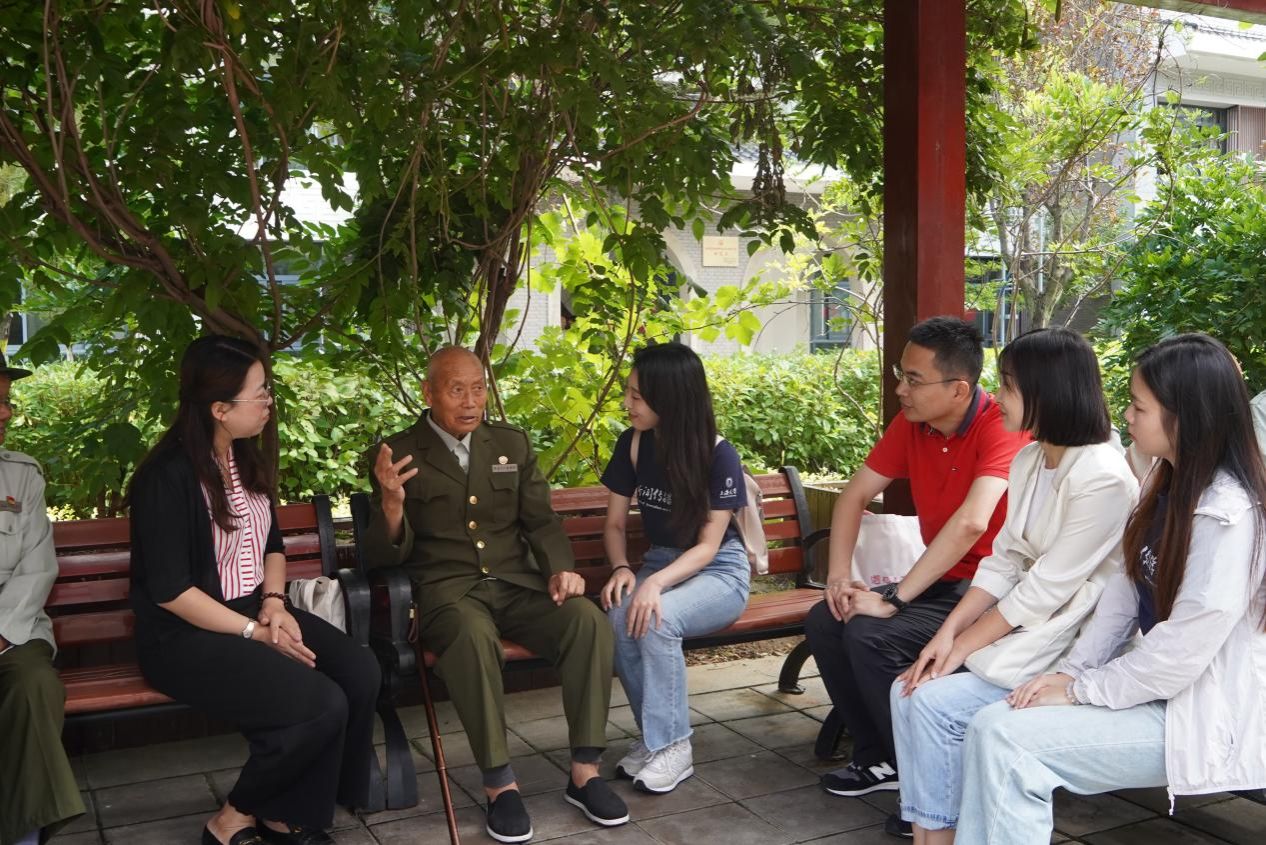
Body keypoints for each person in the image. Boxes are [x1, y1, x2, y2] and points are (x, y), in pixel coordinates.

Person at [956, 333, 1266, 844]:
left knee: (1006, 741)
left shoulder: (1228, 516)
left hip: (1197, 713)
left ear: (1186, 418)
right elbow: (1124, 595)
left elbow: (1179, 656)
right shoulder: (1163, 479)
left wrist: (1080, 689)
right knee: (996, 724)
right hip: (1156, 691)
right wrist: (1072, 672)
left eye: (1139, 407)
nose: (1126, 415)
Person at [363, 346, 627, 843]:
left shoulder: (511, 443)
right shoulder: (397, 453)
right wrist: (392, 504)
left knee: (586, 621)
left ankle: (585, 772)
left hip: (517, 583)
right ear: (428, 392)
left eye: (478, 388)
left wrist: (561, 570)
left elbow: (541, 521)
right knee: (472, 638)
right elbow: (380, 556)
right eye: (456, 390)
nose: (470, 401)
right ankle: (500, 784)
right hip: (448, 592)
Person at [888, 328, 1138, 842]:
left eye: (1007, 385)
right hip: (1024, 628)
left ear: (1048, 392)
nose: (996, 396)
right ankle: (930, 834)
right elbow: (1002, 562)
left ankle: (941, 835)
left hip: (1066, 639)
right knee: (907, 690)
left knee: (930, 700)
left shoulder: (1103, 477)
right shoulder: (1030, 459)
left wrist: (959, 648)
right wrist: (945, 635)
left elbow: (1044, 590)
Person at [129, 336, 380, 845]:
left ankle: (288, 811)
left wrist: (274, 604)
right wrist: (254, 632)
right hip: (184, 634)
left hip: (253, 610)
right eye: (260, 393)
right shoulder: (165, 478)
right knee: (319, 702)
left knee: (358, 671)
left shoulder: (244, 459)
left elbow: (272, 545)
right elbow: (172, 592)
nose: (269, 402)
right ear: (219, 408)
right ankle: (233, 817)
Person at [804, 316, 1029, 804]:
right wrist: (839, 579)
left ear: (958, 388)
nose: (900, 390)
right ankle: (881, 757)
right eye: (900, 374)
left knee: (871, 635)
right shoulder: (913, 426)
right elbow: (853, 496)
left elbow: (972, 522)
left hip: (991, 592)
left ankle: (930, 781)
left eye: (914, 379)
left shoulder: (1001, 427)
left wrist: (894, 599)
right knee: (828, 617)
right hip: (941, 582)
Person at [599, 342, 752, 794]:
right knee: (619, 618)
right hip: (662, 560)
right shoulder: (633, 443)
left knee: (658, 619)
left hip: (719, 571)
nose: (627, 403)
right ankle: (655, 740)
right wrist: (622, 568)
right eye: (628, 392)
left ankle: (674, 747)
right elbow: (614, 524)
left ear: (670, 398)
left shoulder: (718, 454)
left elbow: (708, 547)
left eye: (637, 396)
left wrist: (656, 585)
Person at [0, 354, 86, 845]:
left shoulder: (22, 476)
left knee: (35, 683)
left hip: (13, 629)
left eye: (7, 401)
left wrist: (1, 634)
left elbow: (37, 566)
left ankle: (26, 836)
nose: (6, 413)